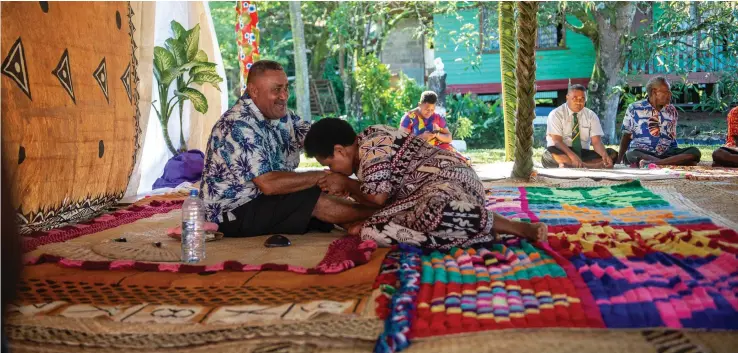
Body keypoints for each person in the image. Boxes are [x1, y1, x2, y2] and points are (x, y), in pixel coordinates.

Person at [303, 118, 547, 250]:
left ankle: (515, 228)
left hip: (450, 181)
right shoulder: (365, 152)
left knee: (433, 209)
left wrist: (343, 182)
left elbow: (377, 199)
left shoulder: (371, 145)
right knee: (369, 232)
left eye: (329, 164)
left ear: (339, 150)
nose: (330, 170)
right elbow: (383, 202)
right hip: (424, 197)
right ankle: (478, 235)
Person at [200, 60, 374, 237]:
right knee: (309, 199)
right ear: (254, 91)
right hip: (231, 212)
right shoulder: (237, 125)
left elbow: (317, 137)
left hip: (262, 201)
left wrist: (353, 152)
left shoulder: (282, 115)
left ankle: (354, 222)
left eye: (286, 88)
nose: (284, 96)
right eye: (276, 90)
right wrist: (325, 176)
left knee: (320, 188)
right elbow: (269, 184)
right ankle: (384, 212)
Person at [617, 76, 701, 168]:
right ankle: (670, 162)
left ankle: (656, 163)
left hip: (667, 152)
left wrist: (677, 153)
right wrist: (619, 159)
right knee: (631, 154)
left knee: (695, 152)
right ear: (654, 92)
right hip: (642, 151)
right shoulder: (634, 108)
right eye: (666, 92)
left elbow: (671, 137)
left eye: (670, 92)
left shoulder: (671, 110)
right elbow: (626, 135)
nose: (670, 95)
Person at [541, 84, 618, 169]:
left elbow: (596, 142)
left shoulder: (591, 115)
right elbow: (557, 141)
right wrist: (573, 157)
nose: (578, 102)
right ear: (567, 97)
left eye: (582, 99)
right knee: (547, 156)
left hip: (582, 152)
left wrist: (604, 156)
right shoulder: (556, 114)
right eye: (575, 98)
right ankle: (591, 165)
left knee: (612, 154)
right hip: (561, 150)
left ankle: (571, 165)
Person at [399, 91, 470, 164]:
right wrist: (421, 137)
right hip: (418, 151)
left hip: (439, 149)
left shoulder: (437, 117)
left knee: (463, 162)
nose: (429, 112)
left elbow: (449, 138)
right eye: (427, 109)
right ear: (419, 105)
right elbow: (401, 142)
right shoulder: (408, 118)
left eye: (432, 110)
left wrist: (437, 134)